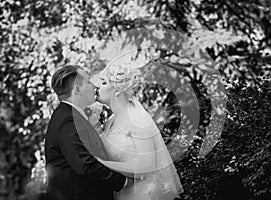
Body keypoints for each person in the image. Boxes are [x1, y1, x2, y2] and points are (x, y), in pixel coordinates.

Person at [93, 64, 183, 200]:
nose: (98, 86)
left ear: (117, 90)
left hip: (143, 194)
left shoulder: (138, 119)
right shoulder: (110, 121)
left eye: (104, 82)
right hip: (124, 192)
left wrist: (103, 164)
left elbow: (147, 166)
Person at [45, 65, 132, 200]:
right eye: (89, 81)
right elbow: (85, 165)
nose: (93, 85)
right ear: (77, 89)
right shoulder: (68, 119)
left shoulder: (69, 116)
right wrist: (123, 181)